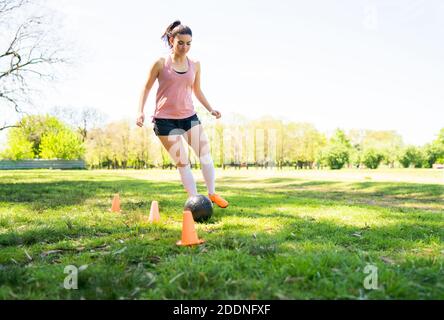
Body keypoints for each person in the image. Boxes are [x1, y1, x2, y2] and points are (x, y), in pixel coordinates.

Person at [136, 20, 229, 208]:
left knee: (205, 155)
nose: (185, 47)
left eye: (188, 43)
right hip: (165, 121)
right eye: (181, 43)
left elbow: (197, 90)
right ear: (172, 40)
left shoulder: (195, 64)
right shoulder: (160, 63)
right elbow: (146, 88)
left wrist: (210, 108)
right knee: (183, 162)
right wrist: (140, 111)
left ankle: (211, 194)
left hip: (189, 117)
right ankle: (195, 202)